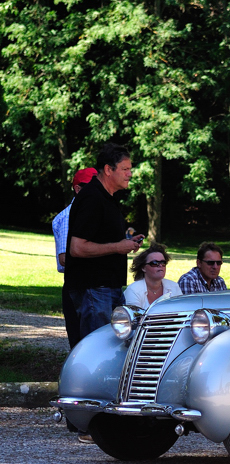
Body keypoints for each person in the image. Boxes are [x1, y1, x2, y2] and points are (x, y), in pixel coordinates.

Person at [66, 143, 144, 343]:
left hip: (108, 286)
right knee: (97, 347)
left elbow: (100, 238)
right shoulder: (92, 197)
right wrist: (119, 247)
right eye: (125, 169)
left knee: (114, 346)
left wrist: (125, 242)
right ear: (108, 170)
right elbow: (77, 247)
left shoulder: (108, 198)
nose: (130, 174)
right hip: (94, 288)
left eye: (130, 169)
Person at [52, 168, 97, 349]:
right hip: (78, 286)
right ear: (78, 189)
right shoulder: (69, 216)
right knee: (82, 343)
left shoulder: (91, 213)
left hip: (91, 284)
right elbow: (65, 258)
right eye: (91, 187)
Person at [124, 244, 182, 309]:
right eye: (154, 263)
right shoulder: (133, 290)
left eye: (163, 263)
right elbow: (134, 317)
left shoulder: (174, 287)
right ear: (143, 268)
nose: (160, 265)